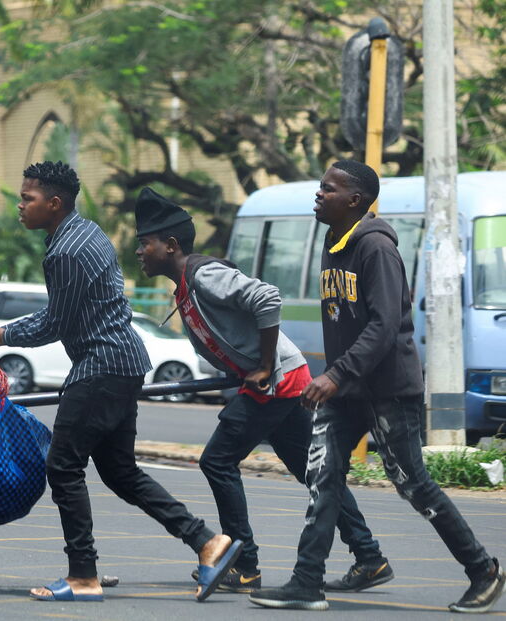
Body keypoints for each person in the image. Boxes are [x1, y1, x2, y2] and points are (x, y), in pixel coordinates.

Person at [0, 161, 243, 603]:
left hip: (101, 366)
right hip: (121, 363)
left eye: (28, 198)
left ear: (54, 203)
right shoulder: (87, 232)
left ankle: (83, 575)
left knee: (62, 466)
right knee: (120, 472)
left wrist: (1, 334)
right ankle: (206, 541)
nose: (20, 205)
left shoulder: (66, 251)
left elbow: (56, 322)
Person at [249, 160, 505, 613]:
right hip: (347, 392)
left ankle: (483, 571)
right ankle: (307, 582)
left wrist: (334, 375)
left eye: (328, 189)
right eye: (320, 187)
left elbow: (385, 326)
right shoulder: (333, 241)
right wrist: (338, 379)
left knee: (413, 484)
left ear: (355, 200)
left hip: (387, 390)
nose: (319, 194)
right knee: (322, 478)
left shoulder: (376, 248)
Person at [134, 187, 391, 595]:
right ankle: (369, 556)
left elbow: (267, 298)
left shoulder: (204, 275)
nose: (139, 252)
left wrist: (266, 365)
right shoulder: (185, 287)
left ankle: (245, 565)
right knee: (313, 473)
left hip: (279, 382)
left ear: (170, 245)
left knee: (217, 461)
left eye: (144, 243)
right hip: (280, 382)